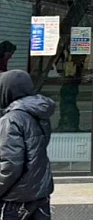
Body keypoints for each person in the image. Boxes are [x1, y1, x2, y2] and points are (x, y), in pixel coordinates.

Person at [0, 70, 55, 219]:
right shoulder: (38, 112)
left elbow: (10, 165)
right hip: (40, 191)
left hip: (15, 197)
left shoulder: (11, 119)